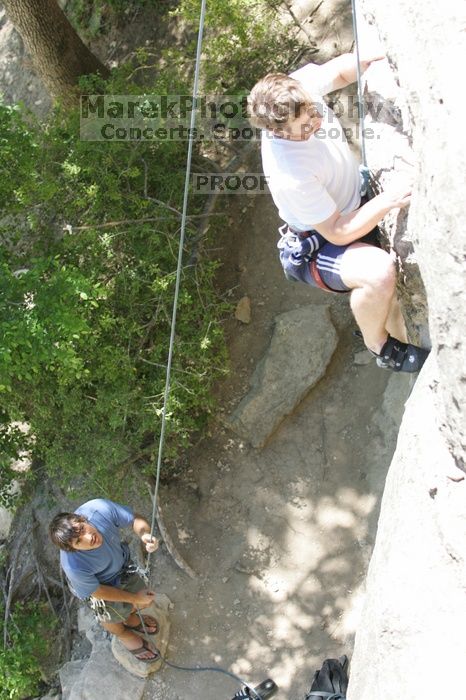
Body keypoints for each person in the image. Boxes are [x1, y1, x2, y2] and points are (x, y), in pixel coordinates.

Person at [248, 52, 429, 372]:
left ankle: (381, 319)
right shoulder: (291, 171)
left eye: (314, 113)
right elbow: (337, 231)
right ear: (279, 132)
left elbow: (344, 71)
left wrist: (375, 55)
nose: (316, 124)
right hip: (320, 242)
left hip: (350, 203)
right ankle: (380, 346)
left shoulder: (298, 91)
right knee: (379, 274)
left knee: (394, 303)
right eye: (304, 128)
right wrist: (387, 200)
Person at [50, 498, 160, 662]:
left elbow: (134, 518)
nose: (88, 538)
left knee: (144, 602)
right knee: (110, 616)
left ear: (83, 519)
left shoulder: (99, 509)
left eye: (82, 528)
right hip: (98, 587)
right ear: (72, 549)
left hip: (122, 567)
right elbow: (97, 591)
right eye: (79, 541)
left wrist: (144, 534)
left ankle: (129, 618)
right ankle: (122, 633)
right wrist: (135, 598)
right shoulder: (74, 566)